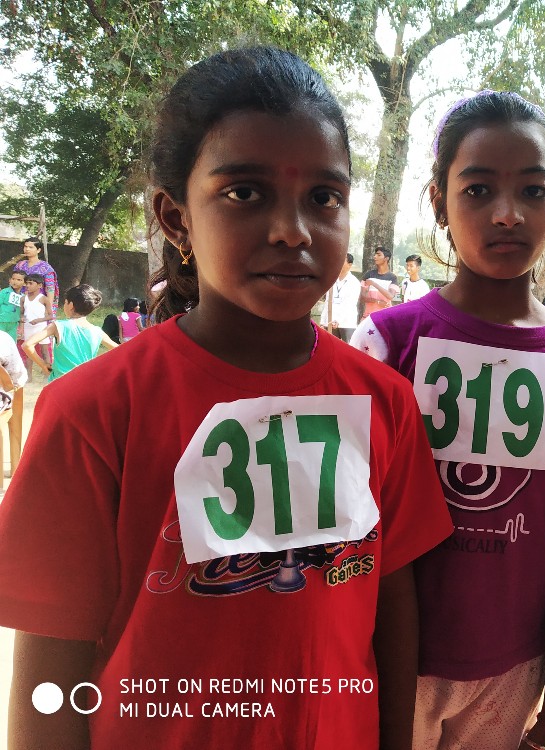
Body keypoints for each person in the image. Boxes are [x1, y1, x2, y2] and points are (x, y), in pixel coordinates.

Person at [0, 46, 452, 750]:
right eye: (245, 192)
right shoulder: (93, 411)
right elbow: (49, 681)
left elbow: (393, 614)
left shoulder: (385, 403)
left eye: (324, 198)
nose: (293, 229)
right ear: (175, 217)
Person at [351, 90, 545, 750]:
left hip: (515, 665)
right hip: (388, 655)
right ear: (439, 202)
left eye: (533, 190)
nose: (507, 213)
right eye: (477, 190)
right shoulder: (385, 342)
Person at [23, 283, 118, 381]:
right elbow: (120, 349)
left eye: (65, 303)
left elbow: (27, 345)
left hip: (60, 383)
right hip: (86, 383)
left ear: (71, 305)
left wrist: (43, 365)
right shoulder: (97, 331)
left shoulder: (58, 326)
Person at [320, 252, 362, 341]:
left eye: (343, 260)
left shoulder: (354, 282)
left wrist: (338, 320)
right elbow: (328, 301)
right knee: (331, 345)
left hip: (347, 323)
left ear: (350, 265)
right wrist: (323, 322)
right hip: (330, 321)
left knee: (347, 347)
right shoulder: (332, 280)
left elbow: (350, 304)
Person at [13, 236, 59, 317]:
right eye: (25, 246)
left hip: (37, 305)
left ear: (38, 250)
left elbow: (50, 289)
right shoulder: (20, 265)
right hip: (19, 303)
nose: (27, 249)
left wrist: (48, 308)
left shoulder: (46, 268)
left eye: (31, 247)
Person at [19, 272, 52, 377]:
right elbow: (21, 313)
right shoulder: (23, 299)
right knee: (29, 352)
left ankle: (48, 375)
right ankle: (29, 376)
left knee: (44, 352)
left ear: (39, 285)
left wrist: (39, 320)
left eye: (31, 283)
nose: (27, 286)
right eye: (27, 283)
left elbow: (51, 316)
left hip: (41, 328)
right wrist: (21, 319)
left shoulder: (43, 299)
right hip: (28, 328)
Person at [361, 245, 399, 318]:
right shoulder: (368, 275)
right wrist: (377, 301)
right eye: (375, 254)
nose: (375, 257)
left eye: (378, 255)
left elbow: (391, 296)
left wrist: (374, 284)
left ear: (386, 258)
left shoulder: (393, 278)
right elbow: (362, 297)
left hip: (385, 317)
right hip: (368, 316)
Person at [0, 270, 25, 341]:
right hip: (1, 323)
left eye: (19, 280)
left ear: (24, 283)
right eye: (13, 279)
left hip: (14, 325)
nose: (15, 281)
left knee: (12, 344)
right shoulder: (4, 292)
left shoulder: (23, 297)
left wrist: (21, 327)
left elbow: (22, 314)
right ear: (9, 280)